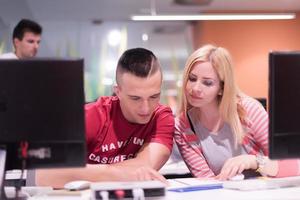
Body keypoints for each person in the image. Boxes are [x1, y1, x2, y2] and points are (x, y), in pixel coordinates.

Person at [35, 48, 174, 188]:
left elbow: (145, 166)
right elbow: (45, 174)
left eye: (154, 97)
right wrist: (117, 173)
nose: (146, 108)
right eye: (135, 98)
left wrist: (86, 172)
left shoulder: (161, 117)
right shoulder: (91, 115)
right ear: (117, 91)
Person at [174, 44, 300, 180]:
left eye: (208, 83)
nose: (196, 88)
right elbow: (207, 181)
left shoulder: (248, 111)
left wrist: (253, 161)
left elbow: (294, 165)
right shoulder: (182, 126)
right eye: (192, 79)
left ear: (222, 88)